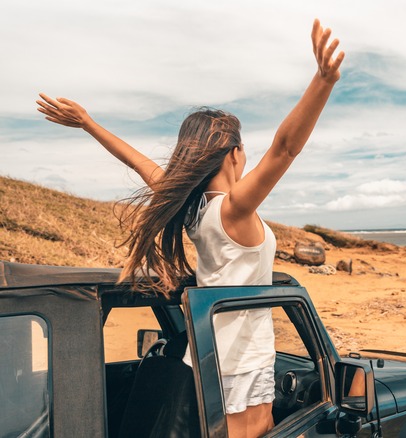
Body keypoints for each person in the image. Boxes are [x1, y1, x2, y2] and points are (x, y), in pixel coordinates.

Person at [36, 19, 344, 438]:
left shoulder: (194, 209)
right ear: (235, 154)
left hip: (212, 352)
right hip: (239, 359)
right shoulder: (233, 208)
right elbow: (285, 148)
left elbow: (138, 162)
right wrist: (323, 82)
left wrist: (89, 123)